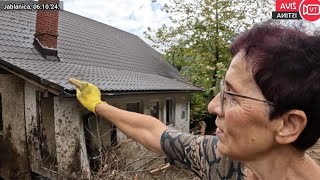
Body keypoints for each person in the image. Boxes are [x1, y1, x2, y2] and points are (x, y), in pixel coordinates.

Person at [69, 23, 320, 180]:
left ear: (288, 125)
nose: (212, 106)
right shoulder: (218, 161)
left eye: (231, 95)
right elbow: (152, 132)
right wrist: (97, 105)